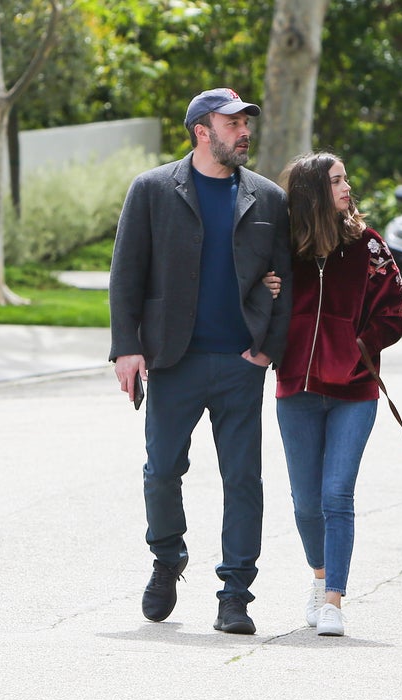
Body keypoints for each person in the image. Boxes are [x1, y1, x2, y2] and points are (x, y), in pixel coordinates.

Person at [108, 88, 292, 635]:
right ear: (201, 130)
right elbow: (126, 273)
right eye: (231, 122)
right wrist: (127, 346)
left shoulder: (267, 198)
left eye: (245, 122)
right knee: (162, 471)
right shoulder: (152, 190)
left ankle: (235, 594)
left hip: (240, 362)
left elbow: (288, 281)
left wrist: (266, 350)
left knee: (244, 481)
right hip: (173, 359)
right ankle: (167, 559)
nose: (243, 131)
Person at [271, 152, 402, 636]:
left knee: (336, 495)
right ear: (312, 192)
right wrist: (266, 291)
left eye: (347, 177)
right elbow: (249, 292)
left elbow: (395, 306)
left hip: (354, 389)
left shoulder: (368, 245)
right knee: (306, 501)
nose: (348, 186)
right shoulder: (285, 249)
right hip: (297, 388)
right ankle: (319, 577)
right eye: (337, 180)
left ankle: (333, 601)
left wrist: (361, 347)